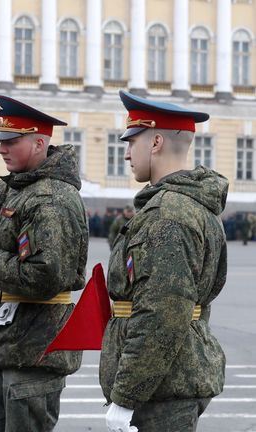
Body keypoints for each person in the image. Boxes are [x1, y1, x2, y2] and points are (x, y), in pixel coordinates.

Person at [100, 90, 228, 432]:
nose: (126, 153)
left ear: (155, 142)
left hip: (160, 392)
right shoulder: (185, 206)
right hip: (168, 380)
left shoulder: (168, 215)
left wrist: (126, 396)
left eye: (132, 142)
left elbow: (163, 314)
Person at [0, 95, 89, 432]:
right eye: (1, 142)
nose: (1, 149)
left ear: (38, 143)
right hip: (14, 344)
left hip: (37, 349)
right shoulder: (19, 189)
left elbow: (45, 275)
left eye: (11, 142)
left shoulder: (50, 198)